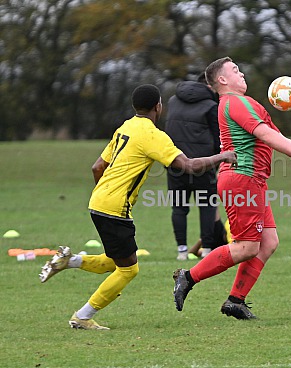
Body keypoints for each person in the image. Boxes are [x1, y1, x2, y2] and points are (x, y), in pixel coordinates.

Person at [39, 84, 236, 330]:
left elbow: (97, 167)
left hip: (98, 201)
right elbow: (189, 165)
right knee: (129, 270)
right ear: (158, 107)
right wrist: (223, 156)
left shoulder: (126, 126)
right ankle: (82, 316)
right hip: (114, 207)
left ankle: (69, 261)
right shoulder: (152, 135)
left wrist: (107, 194)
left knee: (115, 261)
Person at [172, 57, 291, 320]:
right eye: (234, 70)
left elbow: (276, 136)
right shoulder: (234, 102)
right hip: (242, 179)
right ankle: (187, 277)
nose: (241, 73)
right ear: (221, 80)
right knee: (247, 247)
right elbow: (267, 135)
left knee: (268, 242)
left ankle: (235, 301)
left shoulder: (241, 103)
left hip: (251, 180)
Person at [165, 74, 227, 261]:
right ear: (209, 86)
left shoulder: (173, 101)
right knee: (207, 206)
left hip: (175, 163)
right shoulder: (211, 106)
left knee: (179, 208)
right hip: (203, 164)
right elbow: (219, 139)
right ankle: (207, 249)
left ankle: (181, 251)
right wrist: (215, 162)